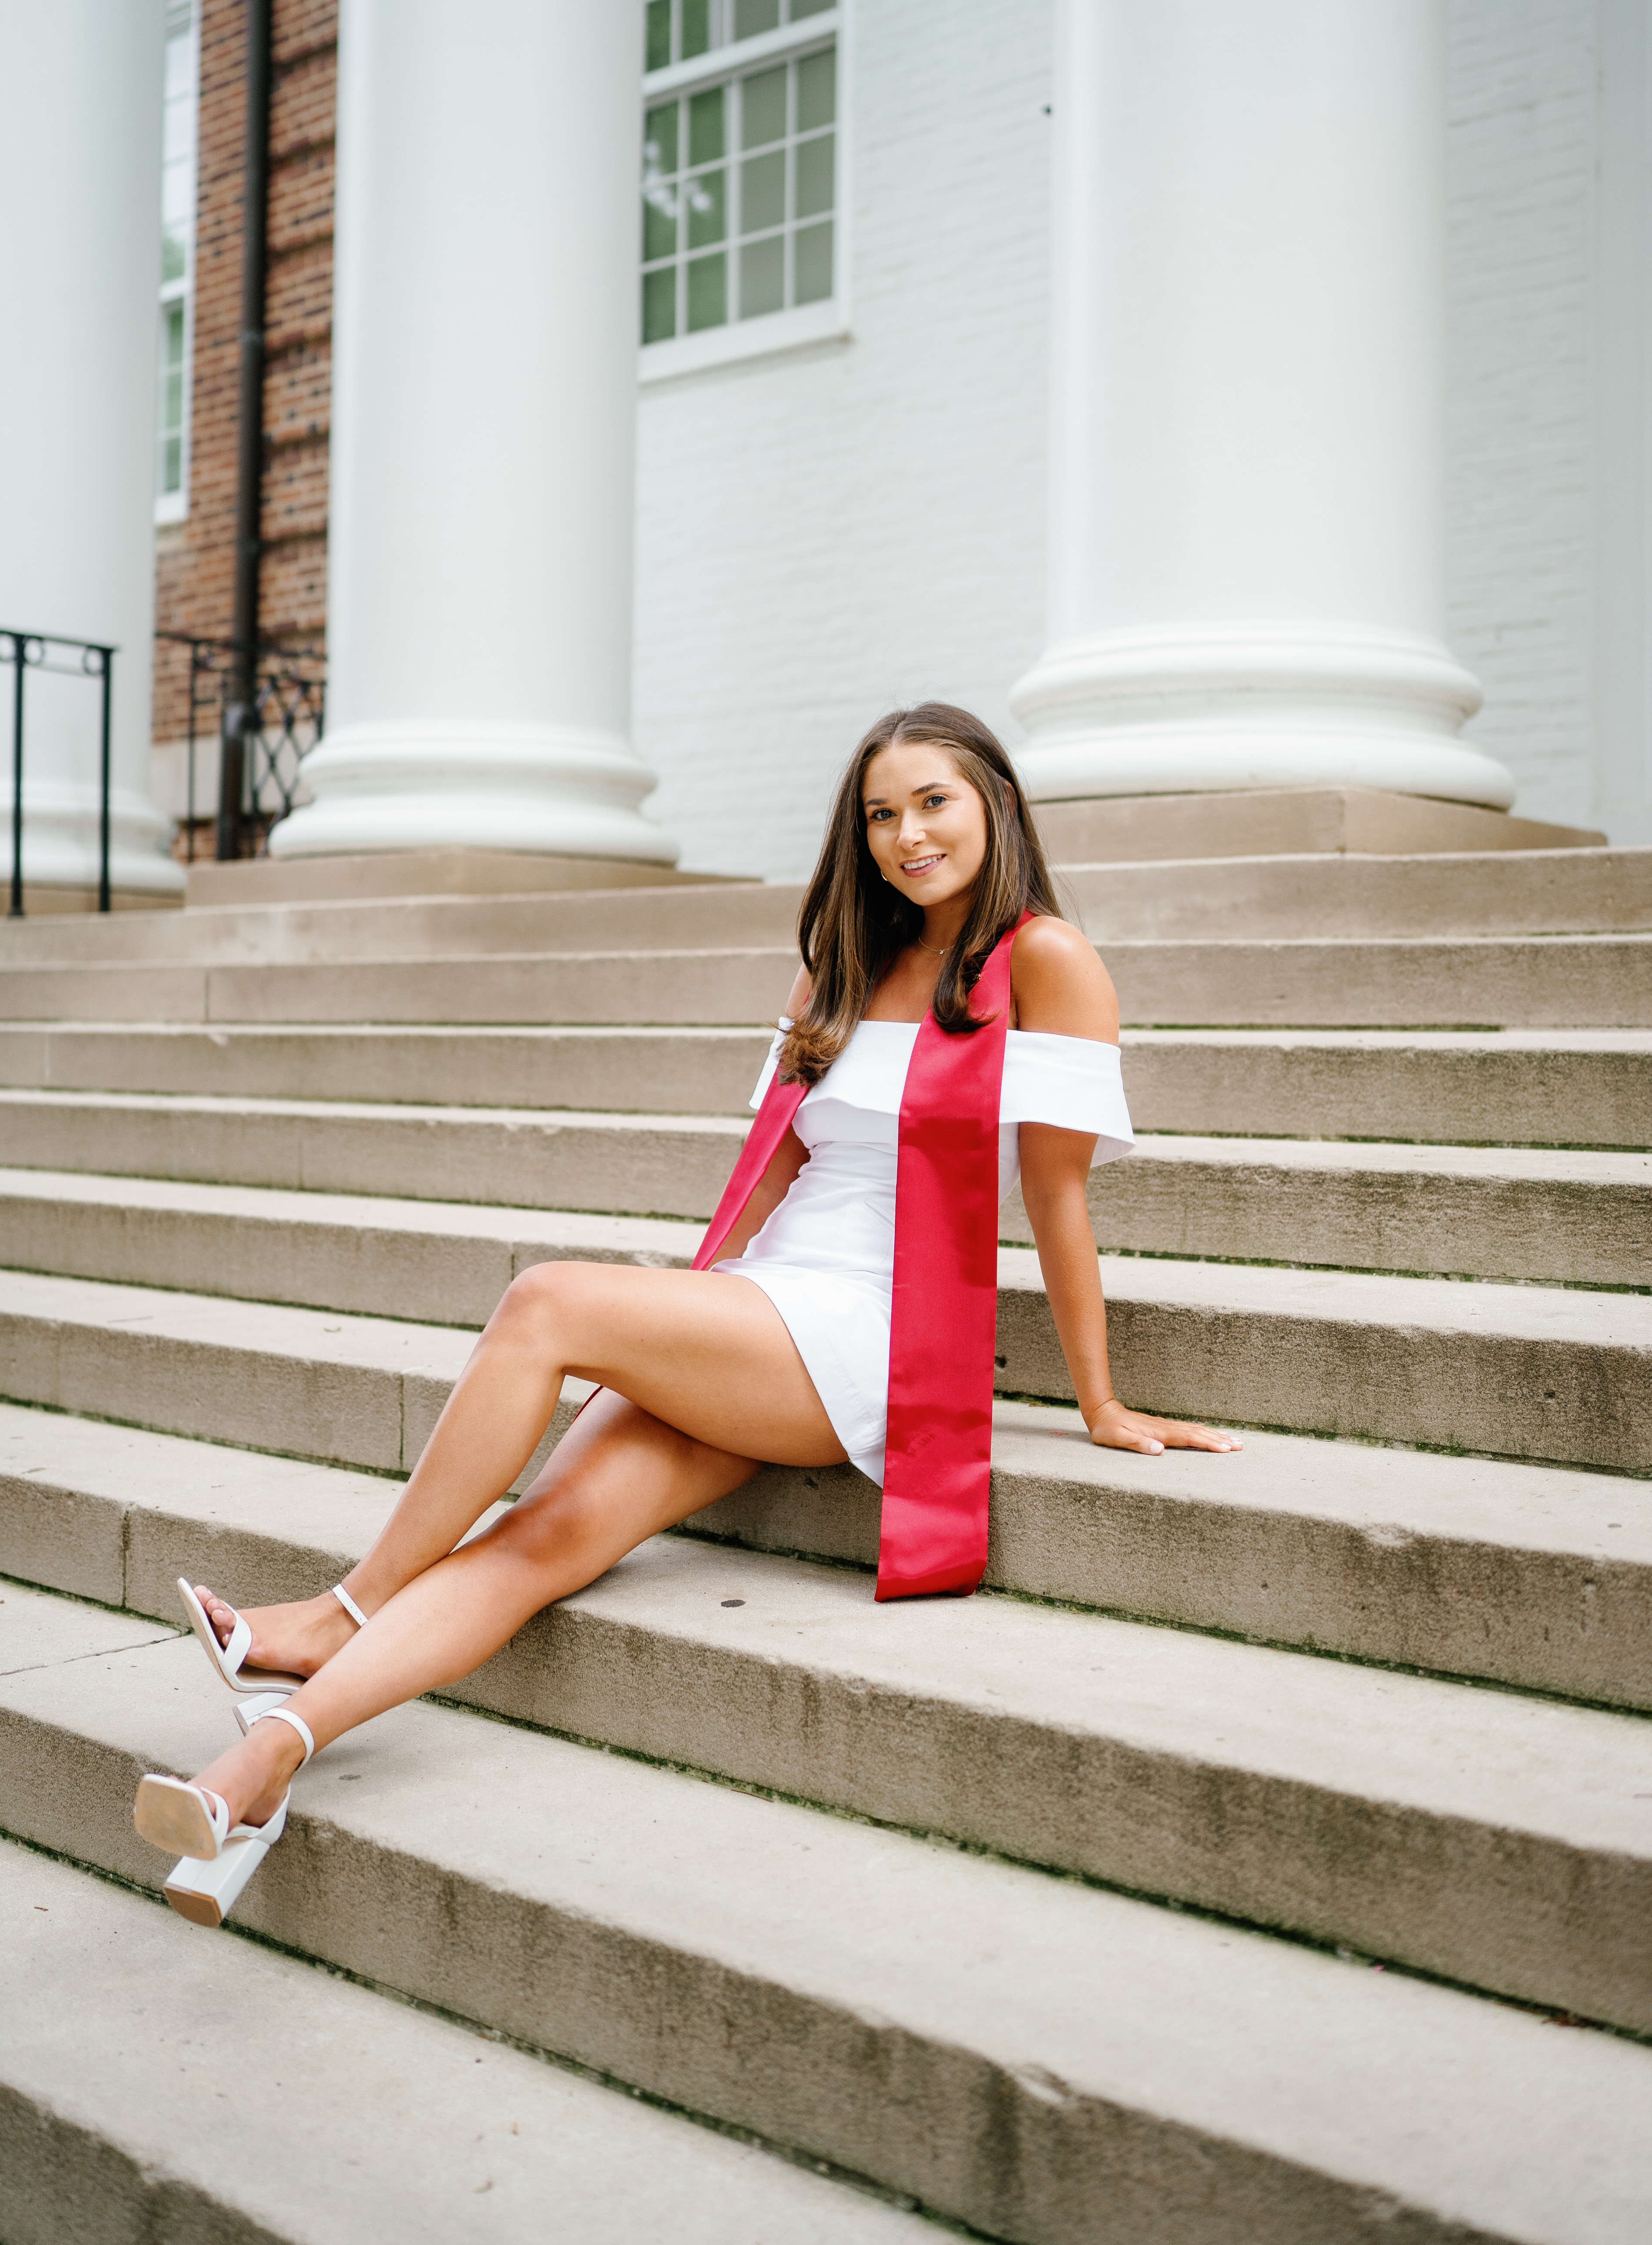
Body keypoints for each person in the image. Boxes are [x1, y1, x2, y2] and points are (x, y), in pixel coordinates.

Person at [134, 702, 1240, 1919]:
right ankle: (264, 1765)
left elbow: (1057, 1198)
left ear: (997, 807)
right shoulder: (844, 965)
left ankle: (340, 1612)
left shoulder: (1046, 962)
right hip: (763, 1315)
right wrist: (677, 1326)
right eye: (882, 814)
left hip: (877, 1331)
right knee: (538, 1541)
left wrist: (1102, 1402)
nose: (907, 835)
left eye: (935, 803)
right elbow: (769, 1168)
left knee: (546, 1301)